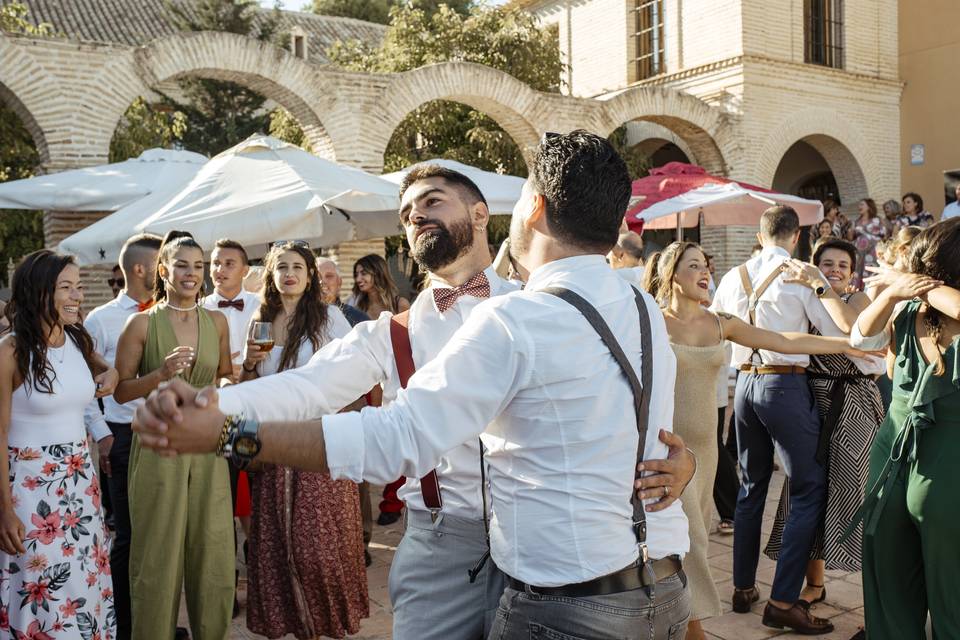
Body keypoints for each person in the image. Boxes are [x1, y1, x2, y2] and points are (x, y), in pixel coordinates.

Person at [133, 135, 701, 640]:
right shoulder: (394, 332)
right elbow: (307, 387)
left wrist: (682, 461)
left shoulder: (532, 312)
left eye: (433, 202)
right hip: (443, 547)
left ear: (485, 214)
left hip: (544, 558)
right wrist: (213, 405)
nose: (416, 217)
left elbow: (625, 414)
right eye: (406, 213)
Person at [644, 240, 867, 640]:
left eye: (706, 264)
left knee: (689, 536)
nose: (705, 272)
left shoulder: (720, 322)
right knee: (690, 541)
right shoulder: (651, 321)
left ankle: (681, 616)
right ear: (671, 275)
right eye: (693, 265)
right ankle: (693, 628)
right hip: (667, 448)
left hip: (706, 453)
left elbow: (784, 341)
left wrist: (847, 344)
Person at [712, 205, 856, 635]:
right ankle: (783, 599)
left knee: (752, 485)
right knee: (808, 487)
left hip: (746, 387)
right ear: (796, 236)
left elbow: (719, 329)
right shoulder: (801, 272)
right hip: (785, 386)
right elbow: (836, 331)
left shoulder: (732, 276)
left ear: (760, 234)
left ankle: (741, 588)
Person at [238, 241, 365, 639]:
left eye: (297, 267)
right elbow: (248, 388)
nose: (289, 274)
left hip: (320, 439)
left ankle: (327, 623)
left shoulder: (329, 317)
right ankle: (293, 625)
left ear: (310, 275)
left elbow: (357, 374)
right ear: (271, 276)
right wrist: (247, 365)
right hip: (273, 443)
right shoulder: (261, 319)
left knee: (319, 549)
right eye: (282, 268)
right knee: (278, 545)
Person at [113, 232, 234, 640]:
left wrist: (232, 382)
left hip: (207, 448)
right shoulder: (141, 324)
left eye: (198, 266)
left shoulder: (217, 321)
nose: (192, 274)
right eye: (182, 265)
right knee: (156, 555)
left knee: (214, 550)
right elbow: (121, 390)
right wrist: (161, 375)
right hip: (157, 448)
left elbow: (227, 378)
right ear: (163, 270)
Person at [0, 250, 119, 638]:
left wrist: (113, 372)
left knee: (81, 587)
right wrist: (4, 509)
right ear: (39, 292)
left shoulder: (77, 339)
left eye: (79, 287)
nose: (78, 296)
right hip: (29, 493)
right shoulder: (11, 351)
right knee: (40, 594)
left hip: (80, 488)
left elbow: (101, 370)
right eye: (66, 287)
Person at [851, 218, 960, 639]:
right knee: (949, 588)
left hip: (895, 453)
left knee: (892, 586)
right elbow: (859, 341)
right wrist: (900, 288)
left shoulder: (911, 307)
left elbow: (863, 344)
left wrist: (906, 285)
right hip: (936, 458)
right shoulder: (911, 307)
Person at [763, 238, 885, 607]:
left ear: (852, 275)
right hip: (811, 402)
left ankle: (874, 598)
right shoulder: (804, 303)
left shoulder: (858, 301)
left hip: (853, 407)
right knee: (809, 493)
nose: (834, 270)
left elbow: (856, 331)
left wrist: (817, 282)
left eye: (841, 266)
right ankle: (814, 584)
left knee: (853, 493)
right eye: (826, 263)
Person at [83, 233, 161, 640]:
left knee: (163, 532)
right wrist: (102, 437)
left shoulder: (176, 313)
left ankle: (159, 622)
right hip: (124, 437)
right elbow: (86, 385)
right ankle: (126, 629)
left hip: (170, 435)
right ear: (140, 269)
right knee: (129, 536)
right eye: (162, 262)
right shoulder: (100, 320)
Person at [315, 255, 375, 566]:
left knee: (356, 477)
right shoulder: (303, 317)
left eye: (329, 276)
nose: (324, 282)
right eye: (319, 276)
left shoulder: (357, 317)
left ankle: (361, 539)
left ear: (340, 282)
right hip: (315, 409)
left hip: (351, 406)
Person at [346, 253, 410, 525]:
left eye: (364, 273)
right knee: (365, 440)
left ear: (377, 273)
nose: (359, 279)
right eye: (357, 274)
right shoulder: (351, 305)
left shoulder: (400, 303)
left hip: (393, 379)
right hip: (361, 381)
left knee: (393, 438)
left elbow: (409, 345)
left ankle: (392, 502)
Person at [316, 257, 369, 326]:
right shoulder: (300, 316)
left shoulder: (358, 319)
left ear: (339, 282)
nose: (321, 282)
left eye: (329, 276)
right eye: (316, 277)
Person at [852, 198, 886, 289]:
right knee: (857, 272)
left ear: (869, 207)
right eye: (859, 205)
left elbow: (883, 235)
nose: (860, 207)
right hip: (859, 253)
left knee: (870, 271)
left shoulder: (877, 220)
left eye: (862, 204)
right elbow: (852, 237)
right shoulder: (856, 221)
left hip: (872, 252)